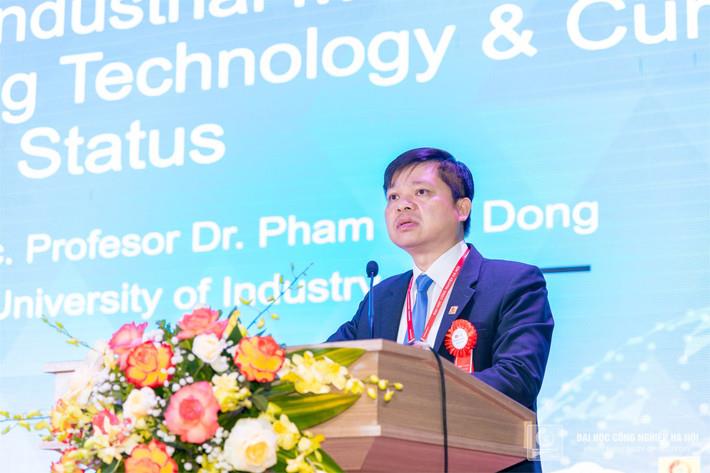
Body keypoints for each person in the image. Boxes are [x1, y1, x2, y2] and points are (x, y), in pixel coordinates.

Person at [327, 147, 554, 473]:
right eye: (393, 197)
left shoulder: (512, 282)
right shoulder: (382, 296)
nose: (402, 205)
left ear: (462, 208)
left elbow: (518, 379)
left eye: (421, 192)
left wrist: (428, 383)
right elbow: (323, 366)